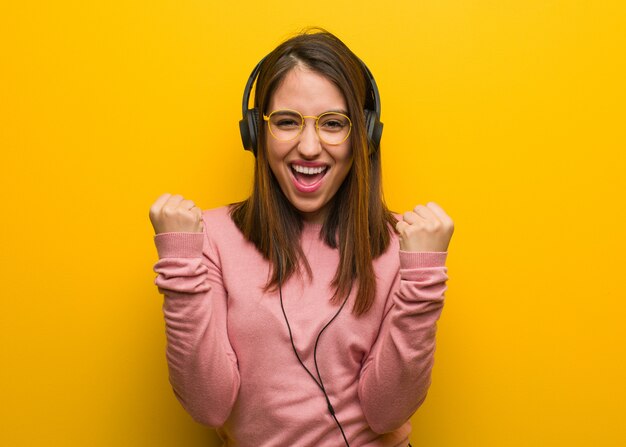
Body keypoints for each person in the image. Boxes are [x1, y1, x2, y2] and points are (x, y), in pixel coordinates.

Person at [149, 29, 454, 447]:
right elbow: (208, 406)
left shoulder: (404, 245)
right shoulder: (209, 237)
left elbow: (387, 412)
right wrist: (181, 266)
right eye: (288, 122)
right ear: (256, 133)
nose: (309, 147)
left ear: (364, 135)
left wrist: (422, 283)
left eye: (333, 124)